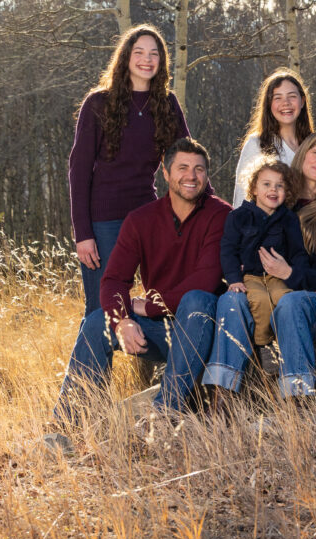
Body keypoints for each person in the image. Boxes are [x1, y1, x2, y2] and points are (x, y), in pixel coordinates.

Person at [55, 138, 231, 420]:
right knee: (96, 321)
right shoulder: (141, 219)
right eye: (183, 167)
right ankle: (70, 422)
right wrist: (122, 320)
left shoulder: (221, 215)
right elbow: (114, 280)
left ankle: (163, 413)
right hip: (160, 330)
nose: (191, 175)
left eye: (199, 169)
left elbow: (205, 281)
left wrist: (149, 307)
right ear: (166, 173)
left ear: (206, 176)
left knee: (198, 300)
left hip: (202, 330)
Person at [205, 131, 316, 400]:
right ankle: (222, 395)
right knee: (231, 302)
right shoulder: (276, 197)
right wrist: (236, 277)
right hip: (261, 285)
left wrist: (290, 274)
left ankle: (297, 401)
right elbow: (238, 246)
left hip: (314, 301)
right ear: (303, 154)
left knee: (290, 303)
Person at [68, 24, 192, 316]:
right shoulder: (98, 103)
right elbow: (78, 171)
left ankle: (147, 361)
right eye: (139, 52)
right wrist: (83, 233)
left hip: (147, 215)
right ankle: (88, 365)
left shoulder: (167, 103)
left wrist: (213, 209)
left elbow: (187, 163)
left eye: (154, 54)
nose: (146, 60)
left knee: (158, 301)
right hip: (103, 221)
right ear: (125, 58)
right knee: (102, 307)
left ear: (161, 62)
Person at [215, 157, 307, 383]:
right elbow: (228, 250)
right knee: (259, 301)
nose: (273, 190)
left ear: (287, 191)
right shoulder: (238, 217)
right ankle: (264, 345)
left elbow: (298, 252)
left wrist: (296, 273)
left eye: (279, 186)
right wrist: (234, 279)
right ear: (254, 187)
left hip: (277, 276)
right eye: (266, 184)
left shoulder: (288, 219)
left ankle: (284, 346)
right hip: (251, 277)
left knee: (284, 299)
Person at [233, 68, 315, 207]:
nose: (286, 103)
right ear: (269, 105)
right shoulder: (257, 144)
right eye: (278, 98)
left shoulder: (314, 146)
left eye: (292, 96)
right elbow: (242, 201)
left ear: (302, 101)